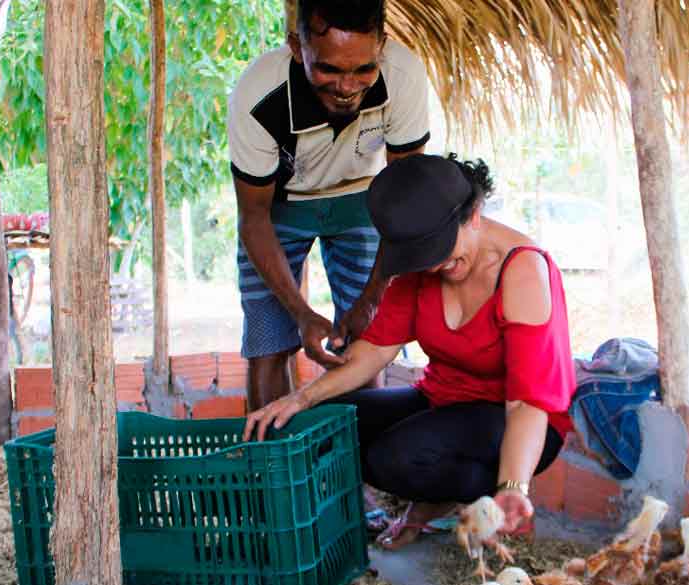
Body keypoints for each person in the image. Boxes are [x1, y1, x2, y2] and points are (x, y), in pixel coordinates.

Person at [244, 154, 576, 549]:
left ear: (473, 213)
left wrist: (513, 484)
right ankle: (330, 525)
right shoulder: (422, 264)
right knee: (328, 422)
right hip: (441, 401)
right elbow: (374, 351)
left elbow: (526, 404)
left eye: (443, 251)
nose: (436, 266)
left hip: (514, 417)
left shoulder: (522, 272)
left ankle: (463, 501)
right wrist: (301, 398)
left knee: (393, 459)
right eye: (425, 257)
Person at [228, 0, 431, 410]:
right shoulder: (258, 96)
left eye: (363, 69)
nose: (347, 86)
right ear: (297, 49)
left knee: (361, 340)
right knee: (268, 343)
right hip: (279, 208)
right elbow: (253, 218)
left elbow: (404, 196)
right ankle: (271, 466)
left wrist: (373, 297)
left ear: (382, 48)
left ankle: (353, 464)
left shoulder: (403, 76)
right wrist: (301, 312)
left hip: (365, 200)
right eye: (329, 69)